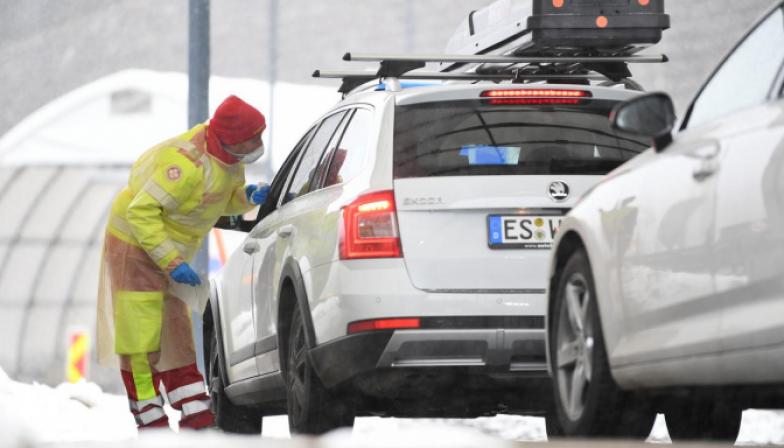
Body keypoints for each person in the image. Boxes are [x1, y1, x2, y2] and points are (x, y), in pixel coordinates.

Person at [96, 95, 271, 430]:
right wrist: (172, 262)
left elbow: (219, 199)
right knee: (141, 335)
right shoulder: (184, 167)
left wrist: (246, 197)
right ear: (232, 138)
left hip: (168, 251)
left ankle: (194, 409)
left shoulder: (231, 158)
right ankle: (150, 415)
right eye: (255, 138)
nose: (259, 145)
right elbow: (141, 211)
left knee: (176, 330)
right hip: (134, 246)